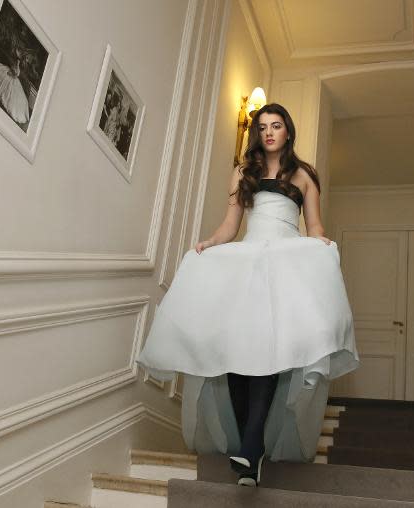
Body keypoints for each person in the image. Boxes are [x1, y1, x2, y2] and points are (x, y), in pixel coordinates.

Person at [136, 103, 358, 487]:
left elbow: (315, 226)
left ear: (288, 131)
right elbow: (230, 226)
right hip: (250, 264)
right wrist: (208, 243)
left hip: (285, 265)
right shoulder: (243, 173)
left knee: (269, 355)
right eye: (263, 127)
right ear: (257, 133)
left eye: (276, 126)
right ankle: (249, 449)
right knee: (236, 360)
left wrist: (322, 248)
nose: (269, 132)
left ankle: (251, 448)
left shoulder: (305, 176)